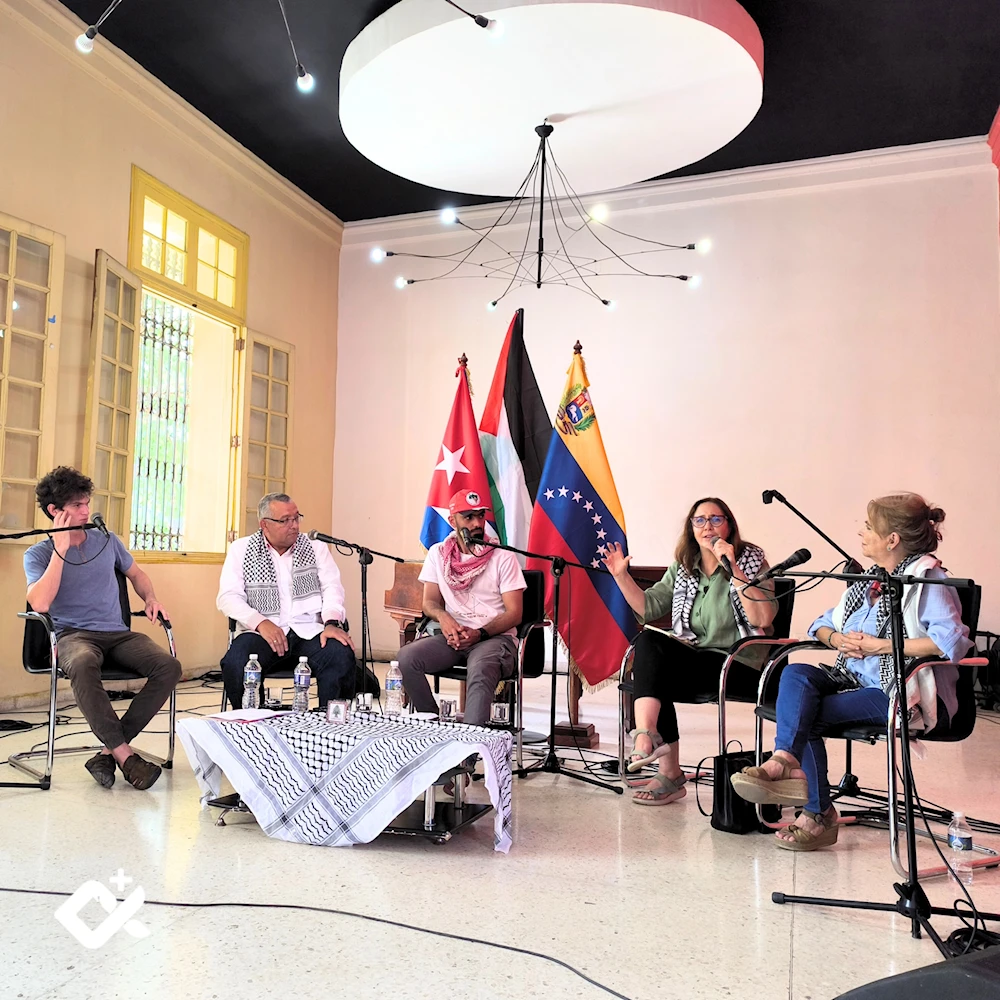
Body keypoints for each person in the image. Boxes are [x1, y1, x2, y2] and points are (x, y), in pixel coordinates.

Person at [731, 493, 971, 851]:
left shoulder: (926, 578)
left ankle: (816, 812)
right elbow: (819, 625)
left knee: (805, 715)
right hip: (854, 679)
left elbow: (950, 641)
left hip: (898, 691)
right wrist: (838, 638)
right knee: (795, 673)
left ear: (892, 539)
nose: (861, 532)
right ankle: (786, 761)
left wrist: (881, 646)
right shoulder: (872, 580)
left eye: (869, 526)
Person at [603, 497, 778, 805]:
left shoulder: (751, 560)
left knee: (657, 673)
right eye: (699, 520)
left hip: (738, 662)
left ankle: (666, 768)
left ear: (729, 525)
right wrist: (621, 576)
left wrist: (733, 565)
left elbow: (762, 619)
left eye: (715, 519)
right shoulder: (685, 566)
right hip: (698, 657)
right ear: (691, 528)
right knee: (648, 643)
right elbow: (648, 607)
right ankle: (648, 736)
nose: (707, 526)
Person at [23, 467, 182, 790]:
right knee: (82, 662)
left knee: (169, 666)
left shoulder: (107, 541)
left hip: (118, 634)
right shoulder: (37, 554)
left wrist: (151, 598)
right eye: (78, 506)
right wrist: (61, 547)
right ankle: (126, 755)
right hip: (73, 636)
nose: (86, 510)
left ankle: (107, 753)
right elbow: (39, 603)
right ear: (55, 512)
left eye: (86, 503)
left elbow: (137, 575)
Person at [397, 489, 526, 727]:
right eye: (468, 517)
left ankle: (466, 754)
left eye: (480, 516)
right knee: (407, 658)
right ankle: (434, 729)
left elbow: (514, 612)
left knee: (480, 669)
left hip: (494, 639)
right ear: (452, 520)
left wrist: (480, 633)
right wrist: (445, 619)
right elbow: (429, 602)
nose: (477, 523)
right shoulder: (438, 554)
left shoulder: (502, 557)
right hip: (454, 636)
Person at [218, 493, 357, 710]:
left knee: (340, 653)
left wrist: (331, 623)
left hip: (309, 632)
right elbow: (228, 597)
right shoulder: (241, 549)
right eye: (285, 520)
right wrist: (260, 622)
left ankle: (331, 727)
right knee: (236, 662)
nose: (294, 526)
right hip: (261, 633)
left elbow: (333, 587)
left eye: (297, 518)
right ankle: (252, 726)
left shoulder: (315, 547)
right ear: (264, 524)